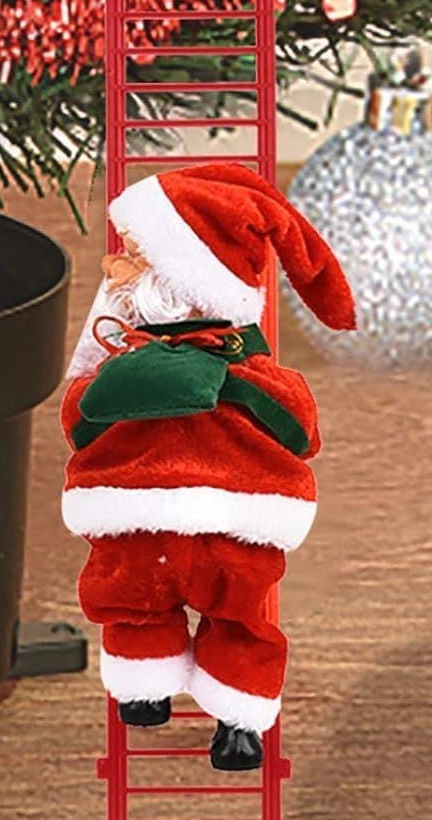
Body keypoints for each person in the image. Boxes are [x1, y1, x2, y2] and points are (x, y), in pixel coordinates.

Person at [62, 163, 355, 770]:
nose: (112, 270)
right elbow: (80, 421)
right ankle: (146, 687)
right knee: (132, 596)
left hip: (234, 524)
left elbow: (298, 427)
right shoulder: (124, 359)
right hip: (137, 521)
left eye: (134, 258)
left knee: (241, 617)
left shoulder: (248, 367)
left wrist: (235, 387)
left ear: (185, 279)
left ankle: (238, 721)